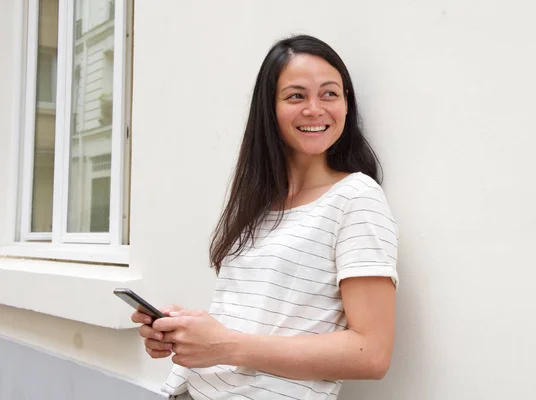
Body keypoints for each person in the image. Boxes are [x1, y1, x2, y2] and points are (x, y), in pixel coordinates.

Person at [132, 34, 398, 400]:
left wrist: (224, 345)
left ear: (347, 104)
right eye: (296, 96)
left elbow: (372, 354)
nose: (314, 109)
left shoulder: (356, 198)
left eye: (329, 93)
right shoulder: (260, 203)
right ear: (269, 109)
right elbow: (252, 321)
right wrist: (188, 332)